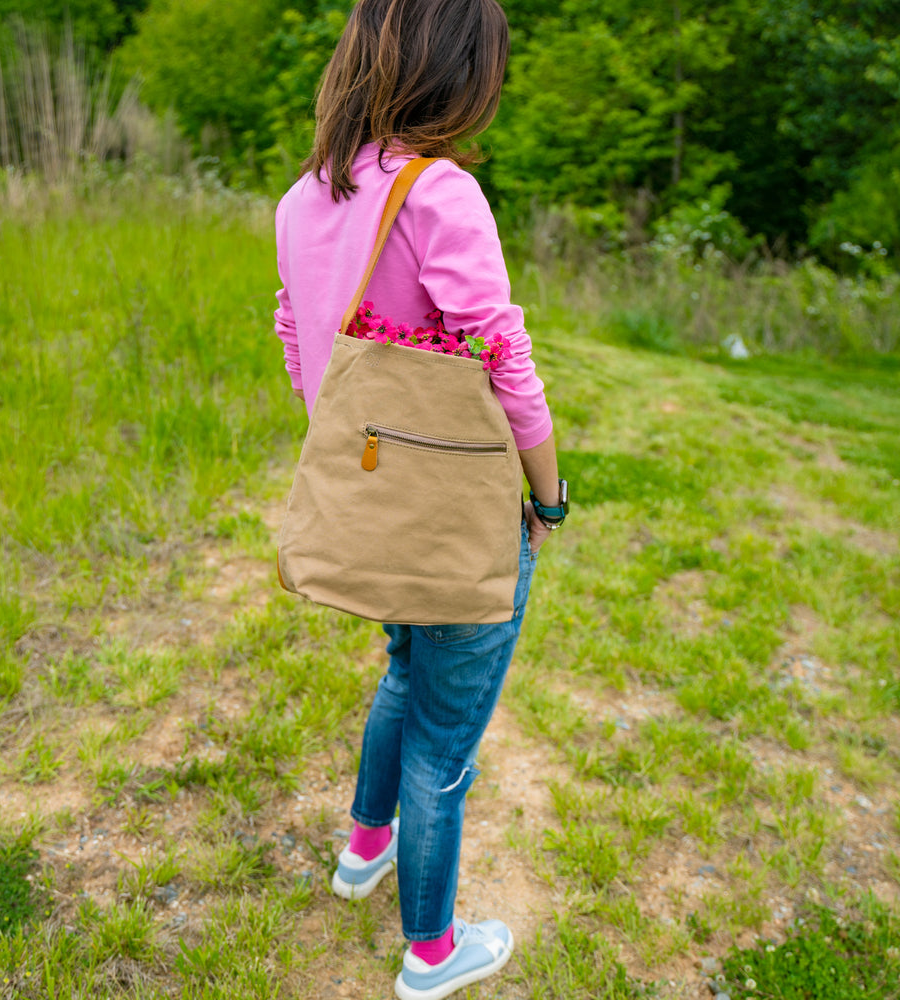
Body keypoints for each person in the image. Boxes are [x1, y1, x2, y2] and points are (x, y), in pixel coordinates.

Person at [273, 2, 565, 997]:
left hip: (377, 504)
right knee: (445, 743)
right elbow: (504, 356)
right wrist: (549, 493)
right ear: (460, 71)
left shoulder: (302, 198)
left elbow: (300, 346)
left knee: (403, 672)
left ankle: (366, 848)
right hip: (455, 515)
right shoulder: (439, 192)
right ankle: (432, 953)